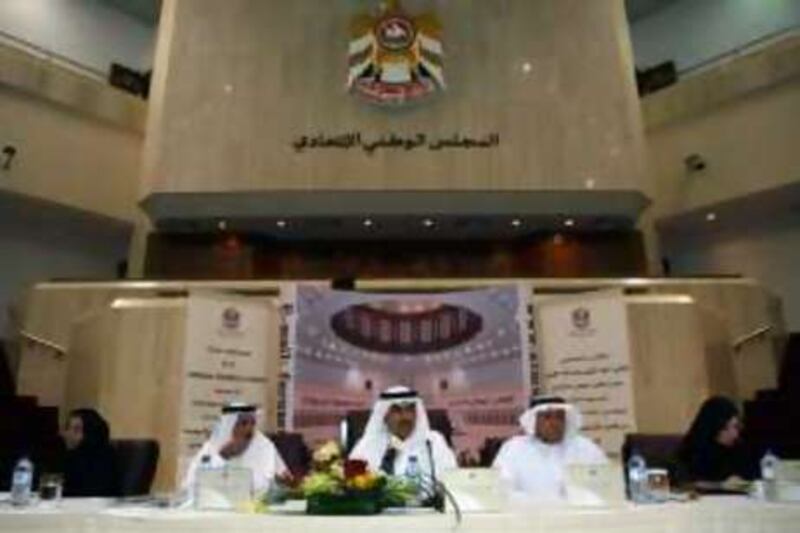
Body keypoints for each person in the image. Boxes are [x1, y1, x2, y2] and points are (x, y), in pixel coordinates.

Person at [492, 395, 607, 503]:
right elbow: (501, 491)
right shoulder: (514, 449)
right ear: (534, 421)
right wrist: (542, 504)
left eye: (559, 417)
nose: (554, 423)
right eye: (547, 417)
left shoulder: (585, 448)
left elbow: (607, 486)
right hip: (528, 519)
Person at [349, 386, 457, 479]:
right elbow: (352, 484)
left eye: (410, 410)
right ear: (384, 416)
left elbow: (452, 481)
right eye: (397, 410)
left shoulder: (433, 442)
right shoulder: (367, 445)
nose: (405, 417)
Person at [182, 403, 288, 495]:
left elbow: (279, 481)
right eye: (243, 423)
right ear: (229, 425)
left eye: (252, 423)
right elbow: (192, 484)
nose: (249, 428)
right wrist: (222, 457)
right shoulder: (212, 447)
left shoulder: (264, 446)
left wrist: (282, 482)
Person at [677, 396, 757, 483]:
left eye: (738, 427)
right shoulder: (691, 452)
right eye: (734, 427)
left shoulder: (739, 449)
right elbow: (687, 483)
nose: (735, 434)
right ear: (716, 426)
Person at [62, 408, 118, 497]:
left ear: (91, 432)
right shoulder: (70, 456)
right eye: (67, 428)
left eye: (76, 430)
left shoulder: (104, 457)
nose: (68, 434)